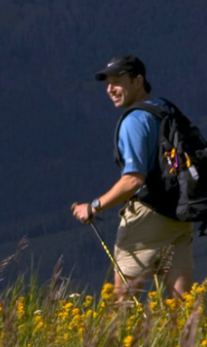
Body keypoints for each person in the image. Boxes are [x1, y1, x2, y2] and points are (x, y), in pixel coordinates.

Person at [71, 54, 193, 298]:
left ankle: (121, 336)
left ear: (138, 81)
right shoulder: (164, 110)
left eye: (117, 81)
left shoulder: (135, 122)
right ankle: (188, 337)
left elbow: (133, 180)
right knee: (182, 305)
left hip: (148, 215)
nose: (110, 89)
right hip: (179, 214)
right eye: (107, 83)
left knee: (122, 302)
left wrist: (93, 207)